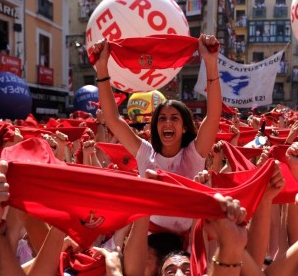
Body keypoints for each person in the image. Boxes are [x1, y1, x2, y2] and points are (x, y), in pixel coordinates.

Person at [91, 34, 222, 233]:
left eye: (174, 118)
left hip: (188, 242)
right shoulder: (145, 153)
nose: (167, 122)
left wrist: (210, 63)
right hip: (150, 241)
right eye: (162, 118)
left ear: (185, 127)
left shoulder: (194, 153)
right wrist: (102, 68)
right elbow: (112, 119)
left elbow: (213, 116)